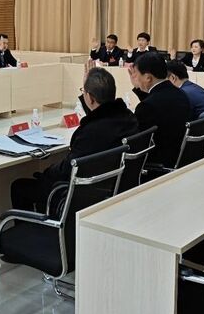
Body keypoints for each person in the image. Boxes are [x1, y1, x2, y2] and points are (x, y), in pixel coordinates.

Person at [10, 67, 137, 211]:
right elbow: (99, 113)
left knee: (19, 187)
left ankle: (33, 224)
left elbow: (68, 169)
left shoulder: (90, 132)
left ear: (90, 97)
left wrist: (46, 173)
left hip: (79, 197)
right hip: (111, 188)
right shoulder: (127, 117)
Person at [129, 53, 190, 169]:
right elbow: (156, 102)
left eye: (137, 74)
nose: (135, 77)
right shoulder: (180, 94)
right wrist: (138, 87)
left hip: (158, 164)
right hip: (179, 157)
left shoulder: (147, 106)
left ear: (148, 77)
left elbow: (139, 145)